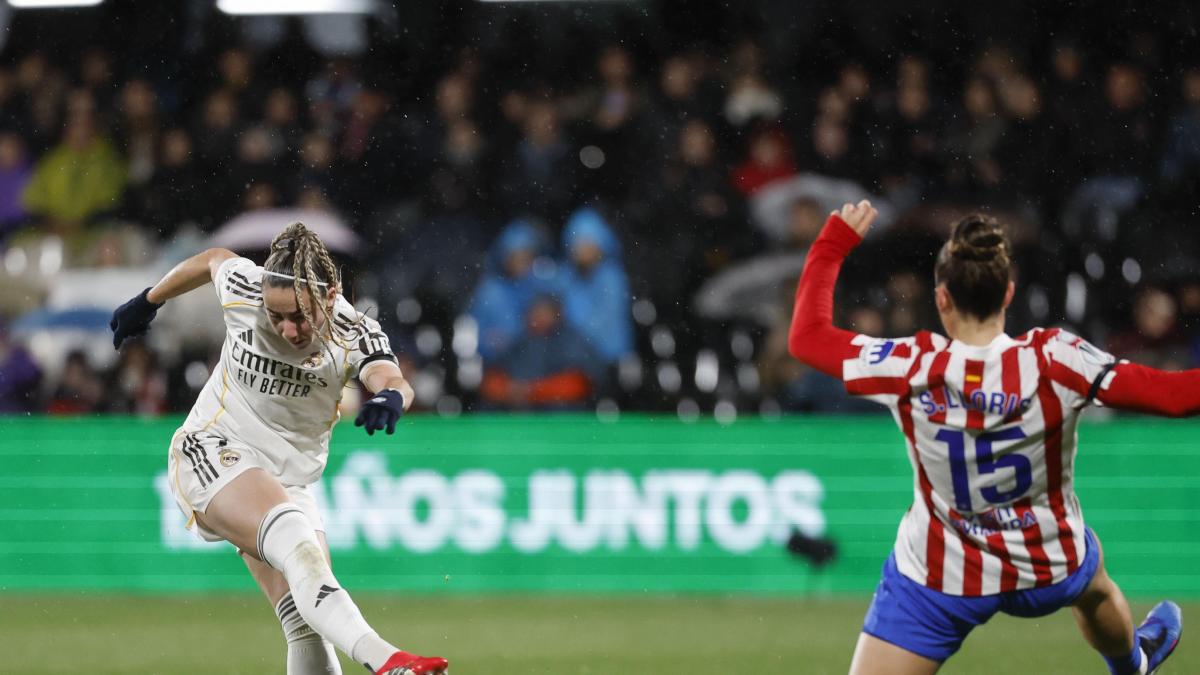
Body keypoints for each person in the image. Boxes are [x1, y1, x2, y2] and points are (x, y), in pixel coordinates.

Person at [788, 200, 1195, 675]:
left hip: (940, 580)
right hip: (1046, 565)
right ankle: (1132, 663)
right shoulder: (1055, 359)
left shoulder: (909, 366)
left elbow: (806, 337)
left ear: (942, 298)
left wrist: (832, 244)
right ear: (1009, 293)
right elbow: (1175, 398)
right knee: (1093, 580)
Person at [109, 222, 447, 675]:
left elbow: (391, 378)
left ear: (329, 297)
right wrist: (150, 299)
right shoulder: (246, 290)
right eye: (276, 315)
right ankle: (387, 660)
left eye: (300, 317)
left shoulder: (352, 331)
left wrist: (391, 397)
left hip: (286, 482)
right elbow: (213, 259)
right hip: (211, 448)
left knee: (307, 620)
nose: (288, 329)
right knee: (298, 546)